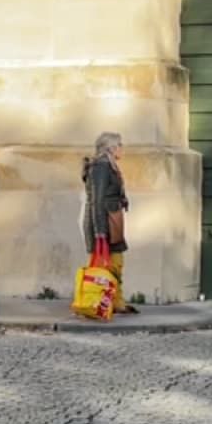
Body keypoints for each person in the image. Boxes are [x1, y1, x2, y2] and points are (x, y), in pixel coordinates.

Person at [81, 131, 136, 315]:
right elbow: (97, 199)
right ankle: (100, 301)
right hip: (104, 222)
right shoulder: (101, 167)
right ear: (111, 148)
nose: (122, 149)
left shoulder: (108, 165)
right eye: (120, 145)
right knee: (108, 263)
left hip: (112, 220)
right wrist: (100, 232)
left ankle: (116, 301)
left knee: (115, 262)